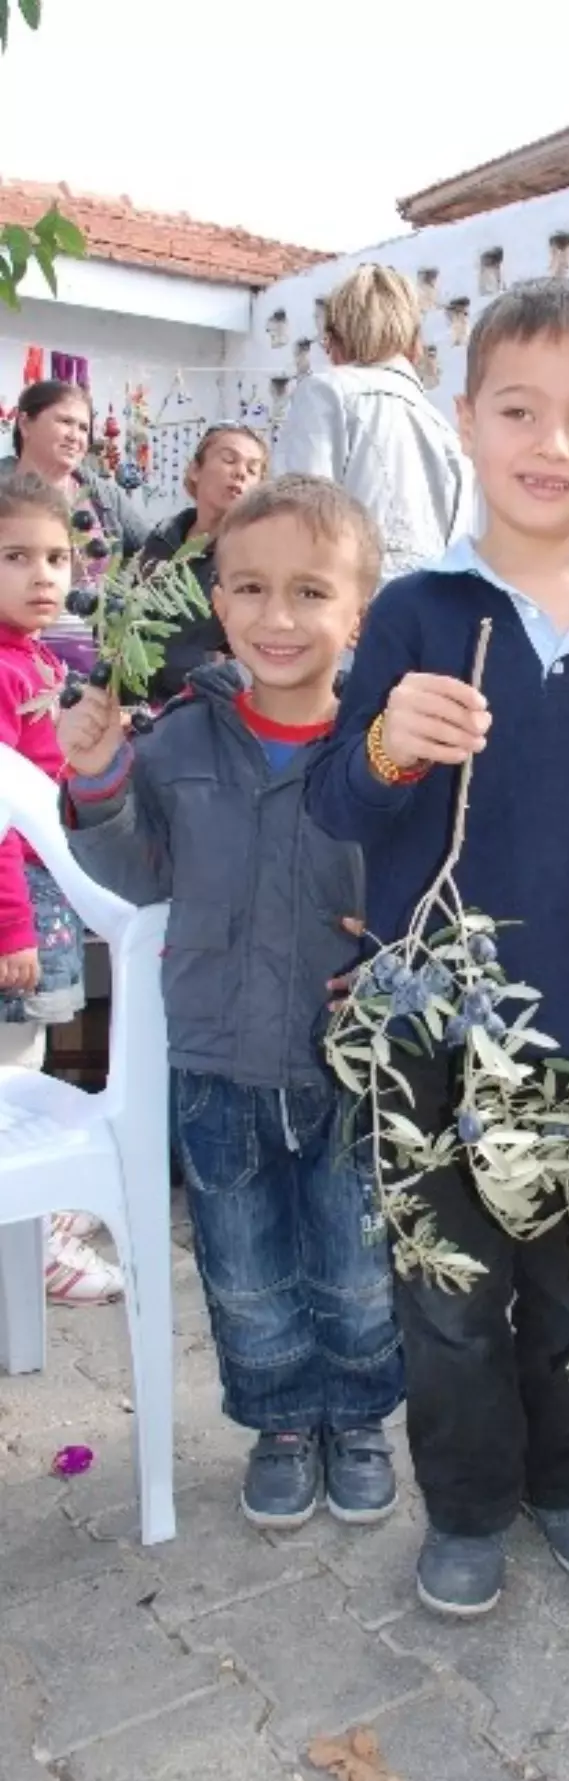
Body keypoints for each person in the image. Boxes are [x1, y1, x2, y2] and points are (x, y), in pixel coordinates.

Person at [307, 278, 569, 1618]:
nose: (550, 443)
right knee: (448, 1301)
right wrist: (392, 743)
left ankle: (566, 1481)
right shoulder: (415, 612)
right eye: (519, 409)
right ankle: (463, 1504)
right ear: (465, 419)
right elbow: (335, 800)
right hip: (430, 1039)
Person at [57, 475, 404, 1530]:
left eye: (310, 592)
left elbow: (430, 886)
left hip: (351, 1068)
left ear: (359, 613)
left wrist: (391, 958)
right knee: (245, 1267)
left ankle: (358, 1419)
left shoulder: (389, 751)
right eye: (250, 589)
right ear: (218, 599)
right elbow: (139, 872)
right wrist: (99, 782)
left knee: (356, 1266)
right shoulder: (178, 738)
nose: (277, 617)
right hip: (214, 1058)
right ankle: (280, 1422)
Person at [0, 472, 126, 1304]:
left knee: (33, 1056)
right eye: (16, 557)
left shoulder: (41, 657)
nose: (45, 576)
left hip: (43, 897)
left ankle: (33, 1215)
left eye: (56, 557)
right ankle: (30, 1235)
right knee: (14, 1069)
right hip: (16, 902)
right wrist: (11, 924)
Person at [276, 263, 472, 583]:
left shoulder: (326, 391)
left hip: (354, 613)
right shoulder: (445, 429)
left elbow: (297, 524)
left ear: (334, 342)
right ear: (415, 344)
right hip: (432, 619)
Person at [3, 380, 149, 675]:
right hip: (12, 664)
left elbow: (153, 551)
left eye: (84, 428)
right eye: (65, 421)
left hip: (91, 667)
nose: (76, 436)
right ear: (25, 423)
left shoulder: (102, 495)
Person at [137, 424, 268, 703]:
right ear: (195, 470)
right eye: (229, 459)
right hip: (135, 704)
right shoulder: (162, 539)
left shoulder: (255, 561)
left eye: (253, 469)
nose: (240, 472)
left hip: (204, 707)